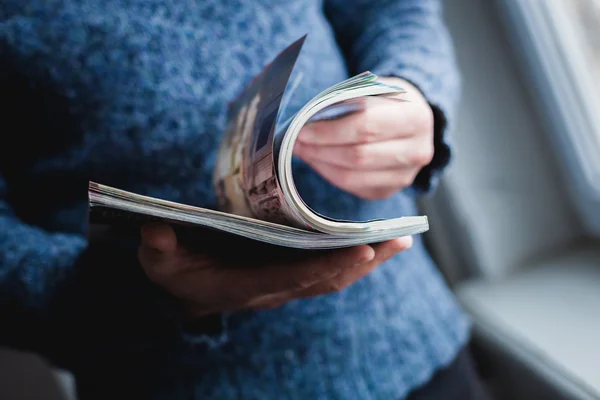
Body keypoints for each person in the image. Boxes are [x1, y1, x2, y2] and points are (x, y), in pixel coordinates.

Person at [0, 1, 491, 399]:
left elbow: (388, 9)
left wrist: (411, 90)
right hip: (163, 377)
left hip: (407, 340)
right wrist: (134, 294)